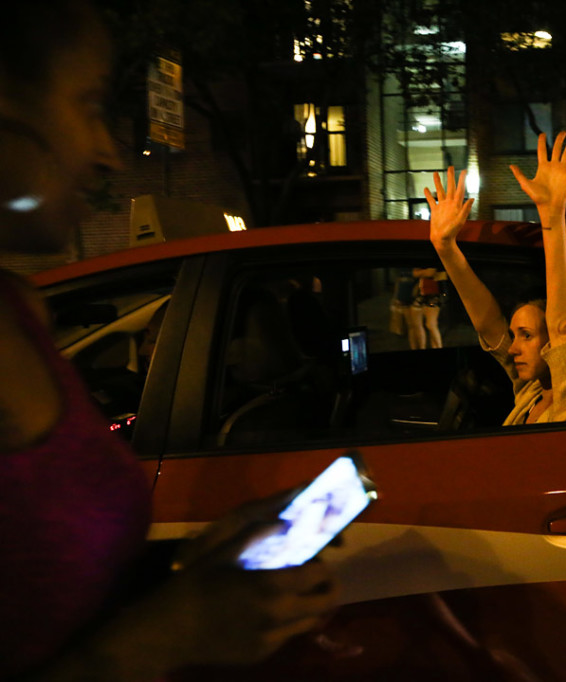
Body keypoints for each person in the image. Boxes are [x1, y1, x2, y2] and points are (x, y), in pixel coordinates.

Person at [0, 3, 342, 680]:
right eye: (90, 103)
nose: (110, 149)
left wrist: (192, 569)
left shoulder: (21, 311)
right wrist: (165, 636)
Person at [424, 132, 566, 425]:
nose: (512, 349)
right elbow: (488, 325)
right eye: (515, 336)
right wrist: (446, 248)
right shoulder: (529, 392)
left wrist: (552, 214)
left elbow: (563, 326)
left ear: (553, 346)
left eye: (526, 335)